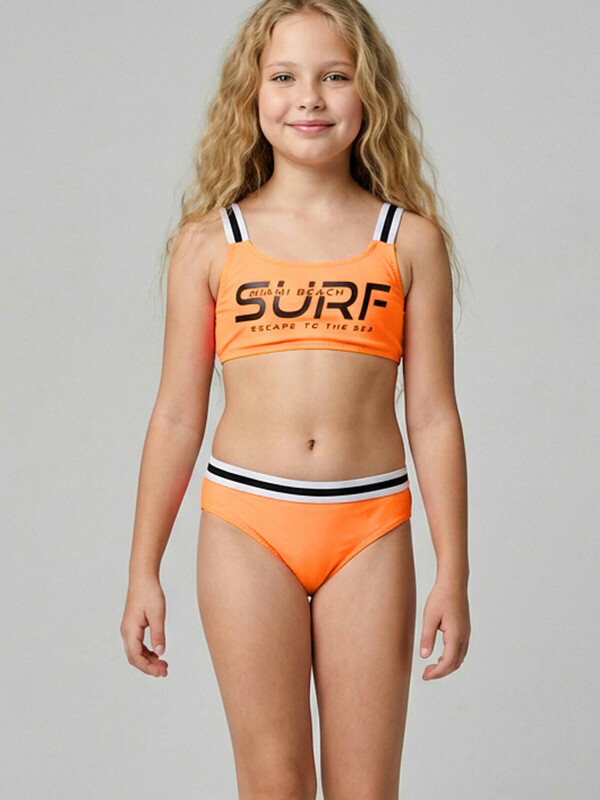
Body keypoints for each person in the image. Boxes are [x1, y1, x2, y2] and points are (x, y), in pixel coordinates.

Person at [120, 0, 471, 797]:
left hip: (368, 528)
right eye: (284, 77)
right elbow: (176, 414)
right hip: (247, 525)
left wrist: (453, 571)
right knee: (274, 783)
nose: (308, 97)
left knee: (365, 788)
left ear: (369, 92)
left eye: (334, 76)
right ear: (252, 93)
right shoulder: (210, 244)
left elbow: (433, 415)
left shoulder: (409, 241)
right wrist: (143, 568)